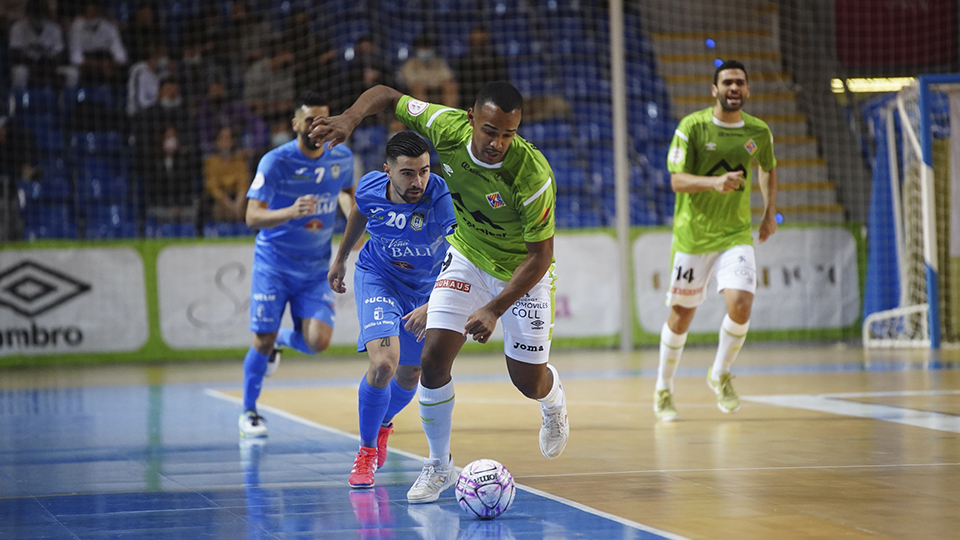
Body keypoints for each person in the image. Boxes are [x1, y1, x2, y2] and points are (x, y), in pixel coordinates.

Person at [311, 81, 569, 504]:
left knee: (527, 380)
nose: (497, 143)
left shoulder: (533, 175)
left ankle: (553, 400)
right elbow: (387, 95)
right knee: (431, 361)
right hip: (467, 255)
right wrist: (350, 118)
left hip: (521, 273)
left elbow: (540, 258)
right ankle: (438, 464)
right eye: (490, 131)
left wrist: (492, 308)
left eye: (508, 134)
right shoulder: (444, 127)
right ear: (471, 120)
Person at [328, 131, 457, 488]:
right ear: (387, 170)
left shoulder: (439, 196)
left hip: (426, 288)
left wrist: (433, 304)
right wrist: (341, 260)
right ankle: (366, 452)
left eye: (424, 171)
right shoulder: (370, 187)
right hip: (378, 277)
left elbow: (461, 254)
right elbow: (359, 211)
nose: (418, 181)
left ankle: (382, 424)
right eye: (407, 173)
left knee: (411, 373)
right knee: (385, 363)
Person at [653, 60, 778, 421]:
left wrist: (769, 212)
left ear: (748, 90)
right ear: (715, 90)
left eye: (740, 82)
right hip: (693, 237)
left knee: (741, 303)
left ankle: (720, 373)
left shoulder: (759, 131)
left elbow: (768, 166)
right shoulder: (692, 128)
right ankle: (663, 387)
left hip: (735, 234)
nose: (734, 88)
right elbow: (676, 181)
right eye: (727, 82)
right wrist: (714, 183)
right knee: (681, 316)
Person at [239, 91, 355, 438]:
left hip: (316, 268)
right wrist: (291, 211)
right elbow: (251, 216)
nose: (317, 127)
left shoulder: (343, 157)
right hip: (273, 264)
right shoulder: (276, 161)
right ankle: (249, 413)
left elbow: (347, 196)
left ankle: (281, 342)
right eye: (309, 120)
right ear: (295, 124)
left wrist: (358, 224)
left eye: (323, 119)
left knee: (318, 342)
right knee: (260, 338)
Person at [8, 0, 65, 88]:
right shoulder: (18, 27)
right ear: (28, 13)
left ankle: (61, 100)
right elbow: (15, 53)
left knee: (72, 73)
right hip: (27, 66)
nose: (37, 17)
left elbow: (60, 54)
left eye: (40, 14)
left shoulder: (54, 29)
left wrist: (46, 63)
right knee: (20, 72)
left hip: (49, 66)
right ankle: (20, 101)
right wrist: (34, 63)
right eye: (35, 13)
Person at [399, 34, 458, 108]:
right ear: (417, 49)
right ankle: (422, 116)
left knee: (450, 85)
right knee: (418, 87)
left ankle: (449, 113)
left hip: (437, 91)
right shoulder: (410, 64)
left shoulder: (438, 62)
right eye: (423, 48)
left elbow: (447, 77)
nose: (425, 50)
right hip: (416, 94)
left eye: (427, 48)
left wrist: (430, 83)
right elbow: (410, 81)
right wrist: (430, 82)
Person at [204, 126, 249, 223]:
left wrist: (238, 204)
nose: (226, 142)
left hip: (237, 197)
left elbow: (243, 185)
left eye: (229, 138)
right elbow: (213, 188)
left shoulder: (239, 160)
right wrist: (229, 205)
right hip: (221, 199)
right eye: (222, 138)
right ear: (217, 142)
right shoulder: (211, 161)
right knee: (218, 209)